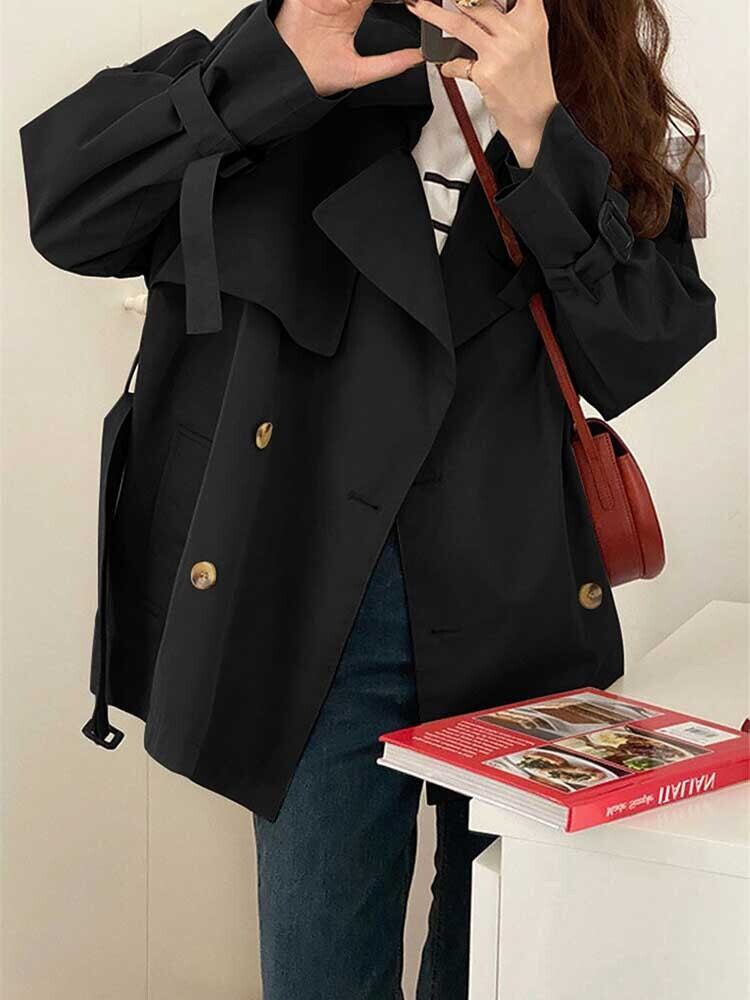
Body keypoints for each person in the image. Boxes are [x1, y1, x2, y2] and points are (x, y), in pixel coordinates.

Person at [18, 0, 717, 995]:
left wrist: (538, 128)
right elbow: (69, 210)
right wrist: (273, 71)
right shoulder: (307, 38)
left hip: (517, 592)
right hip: (315, 601)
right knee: (322, 973)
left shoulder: (588, 92)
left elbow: (644, 348)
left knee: (502, 963)